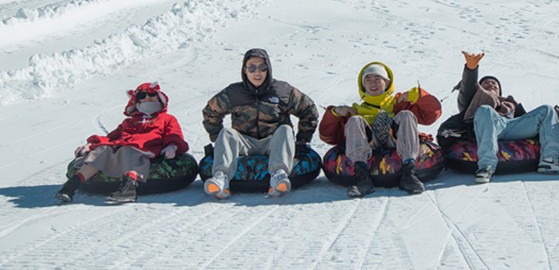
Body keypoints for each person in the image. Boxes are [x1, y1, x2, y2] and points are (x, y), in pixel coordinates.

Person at [440, 52, 559, 184]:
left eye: (495, 84)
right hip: (489, 125)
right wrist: (471, 69)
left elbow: (527, 119)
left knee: (547, 110)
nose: (491, 84)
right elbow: (468, 87)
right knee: (485, 110)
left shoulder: (510, 103)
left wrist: (549, 121)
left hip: (512, 125)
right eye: (486, 83)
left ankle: (549, 161)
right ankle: (486, 167)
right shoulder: (472, 99)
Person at [202, 48, 319, 199]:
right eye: (252, 68)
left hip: (273, 143)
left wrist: (302, 139)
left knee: (285, 129)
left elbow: (309, 110)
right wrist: (218, 141)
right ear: (245, 70)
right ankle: (221, 177)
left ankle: (278, 175)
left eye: (262, 67)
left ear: (268, 68)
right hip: (244, 143)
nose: (257, 72)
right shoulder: (234, 92)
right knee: (226, 133)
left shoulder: (282, 91)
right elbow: (211, 112)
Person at [319, 61, 441, 197]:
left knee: (406, 115)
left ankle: (409, 173)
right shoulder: (356, 110)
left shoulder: (399, 102)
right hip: (370, 143)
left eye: (378, 79)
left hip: (395, 140)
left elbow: (432, 114)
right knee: (355, 120)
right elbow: (327, 136)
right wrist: (335, 114)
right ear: (363, 85)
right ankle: (362, 178)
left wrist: (417, 95)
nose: (373, 83)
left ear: (387, 83)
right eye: (368, 80)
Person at [55, 82, 189, 204]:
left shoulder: (166, 119)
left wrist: (172, 146)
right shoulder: (129, 121)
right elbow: (111, 137)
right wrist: (90, 145)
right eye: (143, 95)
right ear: (137, 100)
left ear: (159, 97)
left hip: (147, 147)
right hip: (123, 145)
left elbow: (174, 133)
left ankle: (129, 189)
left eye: (152, 94)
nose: (148, 98)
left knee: (129, 151)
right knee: (102, 151)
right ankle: (71, 186)